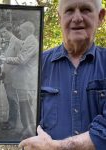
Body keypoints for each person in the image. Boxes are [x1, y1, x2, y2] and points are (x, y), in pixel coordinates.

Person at [19, 0, 106, 150]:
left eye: (85, 10)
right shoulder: (38, 65)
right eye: (70, 10)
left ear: (100, 17)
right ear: (59, 18)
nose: (77, 18)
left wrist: (57, 147)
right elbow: (26, 122)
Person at [4, 21, 39, 138]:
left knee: (27, 108)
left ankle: (29, 132)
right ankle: (26, 129)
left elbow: (22, 60)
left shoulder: (32, 42)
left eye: (21, 30)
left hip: (27, 81)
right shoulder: (28, 40)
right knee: (24, 106)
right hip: (23, 81)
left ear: (27, 31)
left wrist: (6, 59)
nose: (19, 32)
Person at [0, 25, 22, 130]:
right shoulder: (8, 43)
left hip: (13, 77)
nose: (2, 35)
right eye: (1, 33)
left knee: (13, 99)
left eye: (4, 32)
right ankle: (10, 120)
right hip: (7, 76)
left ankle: (13, 123)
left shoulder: (17, 42)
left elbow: (20, 59)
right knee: (10, 99)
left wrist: (5, 59)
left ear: (9, 30)